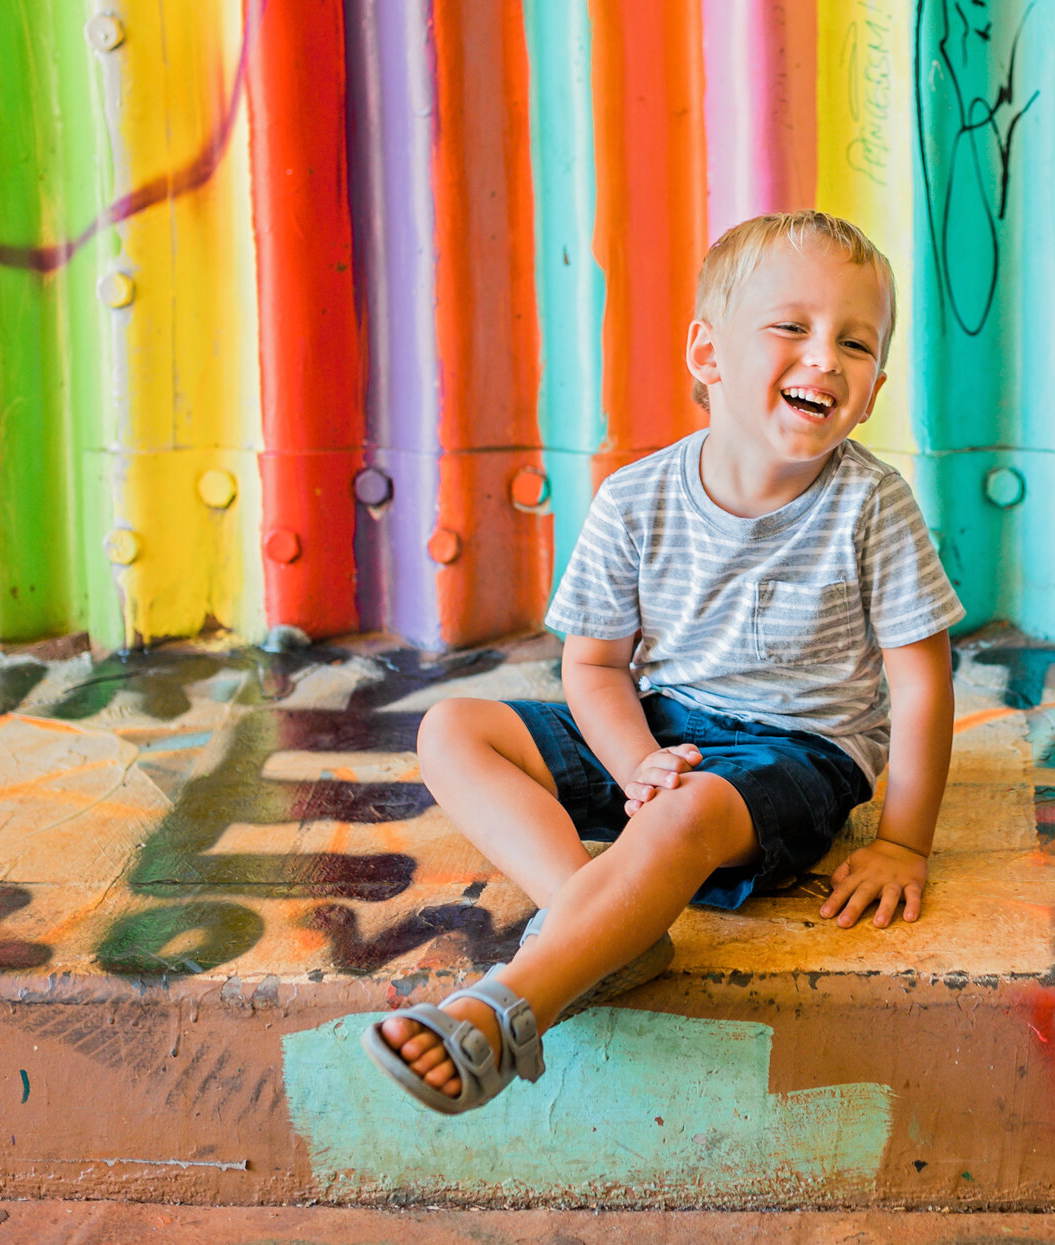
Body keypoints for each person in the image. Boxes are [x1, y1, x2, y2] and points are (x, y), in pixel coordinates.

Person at [365, 210, 963, 1113]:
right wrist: (634, 758)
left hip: (796, 756)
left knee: (676, 820)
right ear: (708, 352)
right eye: (791, 327)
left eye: (856, 341)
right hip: (664, 733)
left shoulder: (872, 505)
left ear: (874, 388)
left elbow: (921, 684)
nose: (826, 357)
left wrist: (902, 842)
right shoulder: (635, 497)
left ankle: (506, 1009)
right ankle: (606, 924)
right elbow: (597, 669)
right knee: (454, 726)